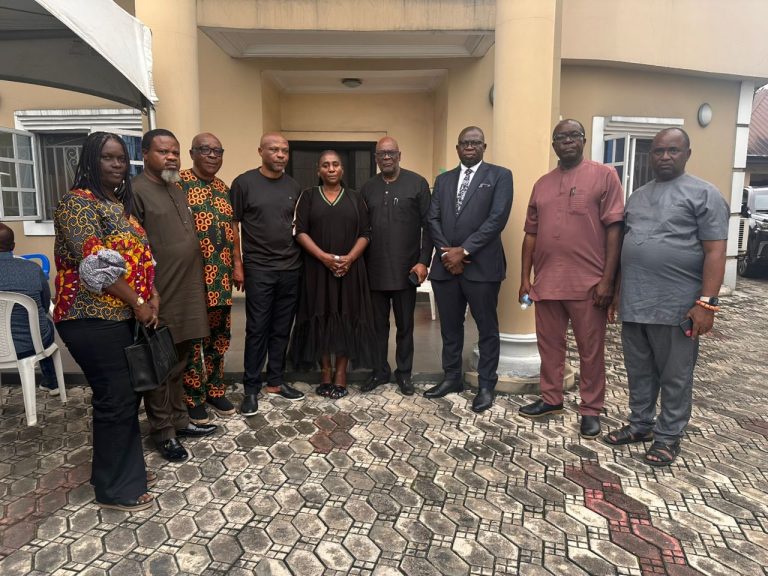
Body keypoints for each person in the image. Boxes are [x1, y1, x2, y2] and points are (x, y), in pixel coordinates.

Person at [603, 127, 728, 467]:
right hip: (635, 302)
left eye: (673, 150)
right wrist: (617, 293)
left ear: (687, 154)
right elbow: (628, 247)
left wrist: (707, 303)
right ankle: (640, 424)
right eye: (658, 151)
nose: (665, 157)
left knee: (675, 374)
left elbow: (715, 251)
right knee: (638, 370)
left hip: (677, 306)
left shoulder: (705, 194)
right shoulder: (638, 196)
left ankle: (668, 436)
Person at [53, 132, 157, 511]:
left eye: (121, 158)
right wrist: (138, 302)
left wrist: (152, 294)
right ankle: (115, 490)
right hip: (89, 316)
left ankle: (120, 472)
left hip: (121, 315)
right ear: (90, 161)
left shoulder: (115, 203)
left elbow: (141, 256)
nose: (117, 165)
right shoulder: (76, 203)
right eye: (107, 158)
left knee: (125, 397)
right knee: (115, 398)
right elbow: (96, 265)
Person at [518, 119, 624, 439]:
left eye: (573, 135)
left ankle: (591, 409)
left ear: (583, 140)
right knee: (549, 346)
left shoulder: (605, 176)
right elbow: (530, 233)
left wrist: (608, 281)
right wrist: (525, 278)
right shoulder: (542, 184)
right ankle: (551, 398)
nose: (567, 141)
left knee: (591, 350)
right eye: (560, 137)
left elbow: (615, 229)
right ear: (553, 145)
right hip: (547, 281)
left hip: (589, 283)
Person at [132, 128, 217, 462]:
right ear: (145, 154)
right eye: (163, 152)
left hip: (187, 289)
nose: (171, 158)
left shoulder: (175, 188)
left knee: (180, 359)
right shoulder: (136, 191)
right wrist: (145, 296)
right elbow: (134, 250)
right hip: (160, 292)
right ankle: (163, 432)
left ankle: (180, 420)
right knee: (159, 363)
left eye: (175, 153)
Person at [425, 126, 513, 413]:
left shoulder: (500, 176)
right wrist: (446, 253)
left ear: (484, 147)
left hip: (482, 267)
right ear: (457, 148)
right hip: (445, 268)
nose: (470, 147)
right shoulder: (443, 180)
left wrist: (463, 251)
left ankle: (486, 385)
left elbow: (497, 219)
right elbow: (432, 218)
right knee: (450, 327)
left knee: (486, 328)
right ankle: (452, 377)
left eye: (475, 142)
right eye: (464, 143)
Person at [230, 132, 305, 416]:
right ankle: (251, 388)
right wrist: (238, 264)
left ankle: (275, 381)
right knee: (257, 328)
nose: (280, 155)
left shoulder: (294, 186)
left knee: (282, 328)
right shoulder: (244, 183)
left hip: (291, 268)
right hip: (259, 268)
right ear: (260, 151)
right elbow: (233, 225)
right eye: (274, 149)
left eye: (284, 150)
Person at [291, 150, 376, 399]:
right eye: (325, 165)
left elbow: (366, 233)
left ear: (342, 169)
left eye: (335, 164)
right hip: (317, 269)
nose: (331, 169)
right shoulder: (308, 196)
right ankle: (325, 371)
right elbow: (299, 231)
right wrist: (323, 257)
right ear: (318, 170)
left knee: (346, 317)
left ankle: (341, 373)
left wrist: (349, 258)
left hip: (350, 270)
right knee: (321, 316)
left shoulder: (355, 198)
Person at [360, 137, 432, 396]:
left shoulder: (417, 183)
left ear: (400, 155)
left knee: (405, 327)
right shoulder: (367, 188)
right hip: (374, 270)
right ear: (376, 158)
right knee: (377, 327)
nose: (387, 157)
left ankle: (404, 373)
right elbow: (361, 229)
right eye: (382, 154)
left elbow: (429, 226)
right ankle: (379, 370)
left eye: (391, 153)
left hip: (406, 270)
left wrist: (423, 261)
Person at [179, 133, 241, 424]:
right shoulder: (178, 185)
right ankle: (193, 397)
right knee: (193, 339)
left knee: (219, 338)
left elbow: (232, 231)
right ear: (192, 153)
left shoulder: (223, 188)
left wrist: (238, 264)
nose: (213, 155)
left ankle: (215, 389)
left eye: (218, 151)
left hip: (221, 278)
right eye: (206, 150)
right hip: (191, 278)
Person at [0, 223, 59, 395]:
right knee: (44, 323)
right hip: (31, 344)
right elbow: (45, 303)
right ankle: (51, 382)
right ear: (13, 246)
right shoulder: (33, 269)